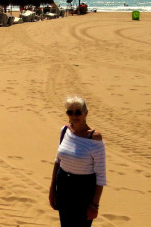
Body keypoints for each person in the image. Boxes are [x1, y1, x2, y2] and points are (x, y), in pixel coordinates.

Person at [49, 96, 106, 226]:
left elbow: (101, 174)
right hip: (63, 185)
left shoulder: (94, 138)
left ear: (86, 113)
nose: (74, 115)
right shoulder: (65, 131)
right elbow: (58, 161)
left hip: (84, 190)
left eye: (78, 112)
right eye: (70, 112)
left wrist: (95, 204)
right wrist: (52, 189)